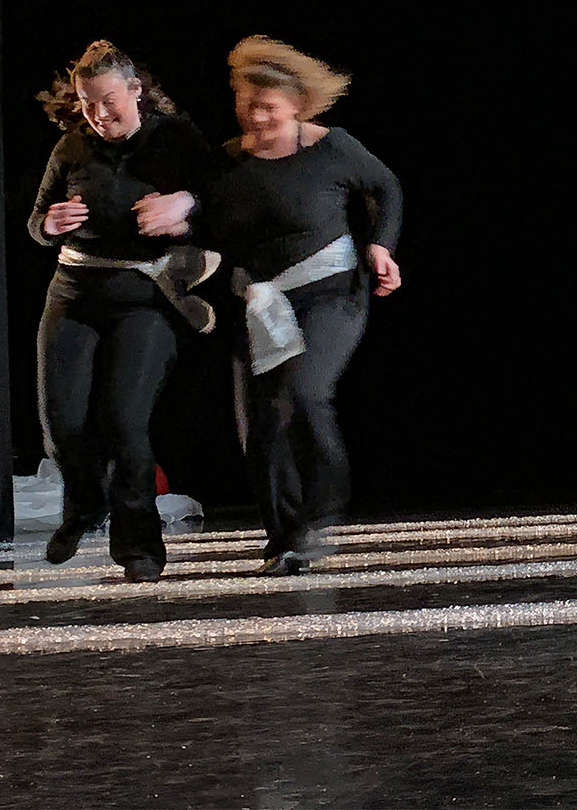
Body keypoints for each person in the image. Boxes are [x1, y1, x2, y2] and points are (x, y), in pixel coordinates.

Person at [190, 36, 402, 576]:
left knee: (305, 391)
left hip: (331, 288)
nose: (256, 117)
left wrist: (381, 246)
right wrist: (178, 212)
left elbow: (386, 188)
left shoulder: (332, 148)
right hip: (261, 300)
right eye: (247, 104)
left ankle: (322, 506)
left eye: (269, 107)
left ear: (297, 105)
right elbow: (204, 220)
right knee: (261, 425)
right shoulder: (225, 164)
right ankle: (285, 542)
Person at [27, 40, 217, 582]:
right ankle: (85, 506)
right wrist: (49, 225)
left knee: (124, 422)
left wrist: (187, 205)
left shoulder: (175, 139)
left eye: (108, 101)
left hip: (144, 299)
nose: (99, 114)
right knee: (61, 426)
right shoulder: (71, 146)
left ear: (136, 91)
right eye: (88, 104)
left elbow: (223, 202)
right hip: (73, 292)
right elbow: (36, 221)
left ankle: (139, 547)